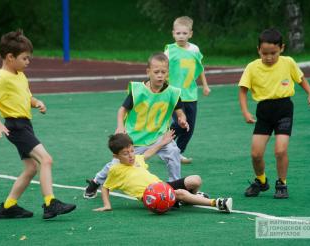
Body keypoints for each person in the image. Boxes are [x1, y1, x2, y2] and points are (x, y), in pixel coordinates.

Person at [0, 30, 76, 219]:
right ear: (10, 57)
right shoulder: (2, 77)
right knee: (46, 160)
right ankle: (50, 203)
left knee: (32, 167)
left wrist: (36, 102)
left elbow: (26, 96)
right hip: (15, 126)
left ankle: (8, 206)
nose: (28, 62)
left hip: (25, 125)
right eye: (25, 58)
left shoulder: (19, 75)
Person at [84, 52, 189, 199]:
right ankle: (96, 181)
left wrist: (182, 119)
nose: (160, 75)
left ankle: (175, 186)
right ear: (148, 72)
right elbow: (122, 110)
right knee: (117, 165)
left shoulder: (172, 92)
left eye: (163, 72)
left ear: (167, 73)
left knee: (173, 152)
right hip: (134, 138)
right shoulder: (138, 91)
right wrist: (120, 126)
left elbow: (180, 111)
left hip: (159, 136)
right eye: (156, 72)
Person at [238, 28, 310, 199]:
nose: (268, 57)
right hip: (264, 112)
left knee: (280, 150)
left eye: (273, 53)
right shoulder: (252, 67)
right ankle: (261, 181)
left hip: (284, 109)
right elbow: (243, 90)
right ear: (258, 49)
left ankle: (282, 183)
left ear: (282, 48)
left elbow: (301, 78)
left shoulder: (288, 62)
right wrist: (245, 112)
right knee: (256, 154)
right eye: (264, 53)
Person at [93, 132, 232, 213]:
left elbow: (149, 152)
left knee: (196, 180)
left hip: (162, 186)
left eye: (131, 151)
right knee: (180, 193)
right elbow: (105, 186)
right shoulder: (115, 170)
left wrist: (163, 142)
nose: (130, 155)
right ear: (116, 156)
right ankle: (217, 203)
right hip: (152, 197)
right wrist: (107, 205)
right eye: (125, 153)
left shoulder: (137, 159)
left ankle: (190, 199)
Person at [164, 16, 211, 164]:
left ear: (190, 34)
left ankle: (176, 152)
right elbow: (162, 70)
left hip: (191, 95)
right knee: (180, 124)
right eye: (178, 33)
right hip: (174, 95)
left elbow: (200, 68)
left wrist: (205, 85)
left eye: (184, 33)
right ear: (173, 33)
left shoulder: (194, 49)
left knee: (189, 128)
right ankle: (164, 137)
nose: (181, 36)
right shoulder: (169, 50)